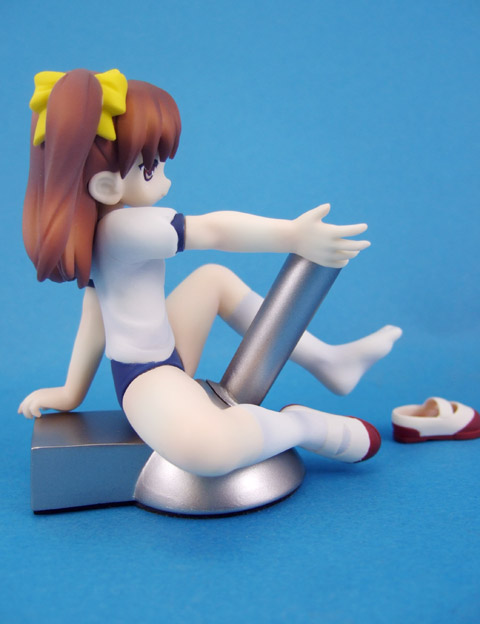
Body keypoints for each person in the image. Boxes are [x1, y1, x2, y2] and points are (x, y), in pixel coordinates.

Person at [18, 68, 401, 476]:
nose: (165, 181)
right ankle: (302, 426)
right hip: (146, 379)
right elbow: (215, 229)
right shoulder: (124, 229)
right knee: (208, 453)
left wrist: (72, 391)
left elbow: (96, 316)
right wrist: (292, 235)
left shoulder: (95, 233)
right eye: (151, 169)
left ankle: (328, 362)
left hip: (166, 351)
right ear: (108, 187)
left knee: (211, 279)